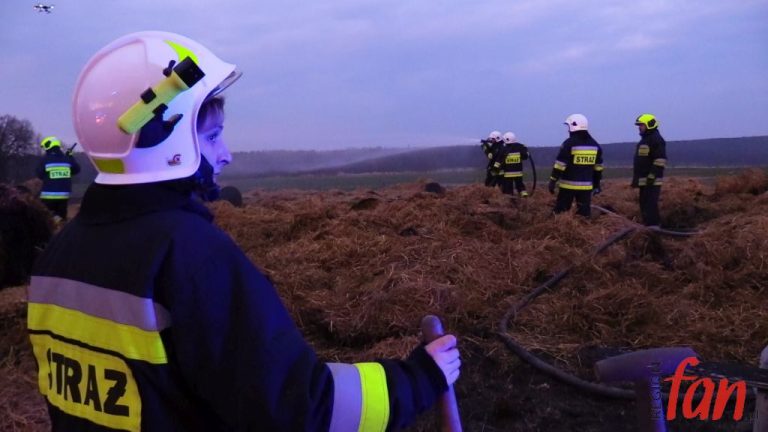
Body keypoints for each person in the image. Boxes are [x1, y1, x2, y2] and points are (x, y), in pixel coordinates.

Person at [27, 31, 460, 431]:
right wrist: (420, 376)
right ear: (168, 138)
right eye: (213, 136)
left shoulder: (58, 254)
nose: (227, 155)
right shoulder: (192, 258)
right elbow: (301, 409)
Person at [547, 114, 604, 217]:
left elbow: (560, 165)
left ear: (574, 126)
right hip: (586, 188)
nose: (568, 130)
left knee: (560, 213)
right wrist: (597, 185)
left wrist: (552, 181)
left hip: (567, 186)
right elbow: (598, 168)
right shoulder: (595, 145)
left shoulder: (569, 143)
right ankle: (584, 231)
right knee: (584, 216)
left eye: (569, 127)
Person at [631, 113, 667, 227]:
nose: (639, 127)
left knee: (650, 205)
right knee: (644, 205)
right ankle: (648, 227)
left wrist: (652, 176)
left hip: (652, 181)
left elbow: (660, 160)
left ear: (649, 125)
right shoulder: (645, 140)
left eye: (641, 125)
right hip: (645, 181)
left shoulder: (656, 139)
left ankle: (654, 229)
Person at [35, 136, 81, 221]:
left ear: (49, 145)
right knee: (60, 220)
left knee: (47, 220)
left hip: (47, 196)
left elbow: (39, 174)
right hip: (64, 197)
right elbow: (77, 170)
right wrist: (70, 157)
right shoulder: (67, 159)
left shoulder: (45, 159)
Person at [498, 132, 530, 198]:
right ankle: (524, 196)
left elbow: (499, 160)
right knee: (520, 186)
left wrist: (497, 168)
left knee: (508, 189)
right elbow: (525, 156)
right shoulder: (520, 147)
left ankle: (510, 201)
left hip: (508, 174)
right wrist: (525, 149)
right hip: (518, 173)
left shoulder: (504, 149)